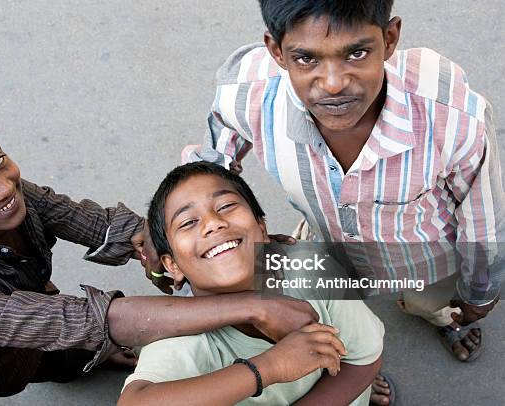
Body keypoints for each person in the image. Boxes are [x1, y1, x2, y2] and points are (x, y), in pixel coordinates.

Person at [183, 1, 503, 404]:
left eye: (356, 53)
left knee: (434, 300)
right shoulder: (248, 92)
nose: (333, 83)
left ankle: (440, 317)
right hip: (322, 244)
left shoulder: (451, 117)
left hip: (423, 256)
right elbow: (219, 144)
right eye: (305, 58)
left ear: (389, 39)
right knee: (324, 321)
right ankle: (353, 365)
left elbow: (483, 217)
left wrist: (479, 292)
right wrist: (178, 209)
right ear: (276, 51)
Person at [0, 111, 321, 397]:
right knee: (57, 365)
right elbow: (94, 322)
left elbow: (89, 221)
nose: (3, 186)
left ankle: (88, 356)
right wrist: (258, 315)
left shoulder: (9, 196)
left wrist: (152, 240)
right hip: (2, 361)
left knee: (78, 343)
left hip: (36, 297)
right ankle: (84, 361)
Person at [119, 161, 384, 405]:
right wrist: (269, 367)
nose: (213, 224)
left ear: (262, 228)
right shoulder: (182, 338)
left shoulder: (311, 267)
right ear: (172, 266)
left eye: (225, 206)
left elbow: (363, 360)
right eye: (188, 222)